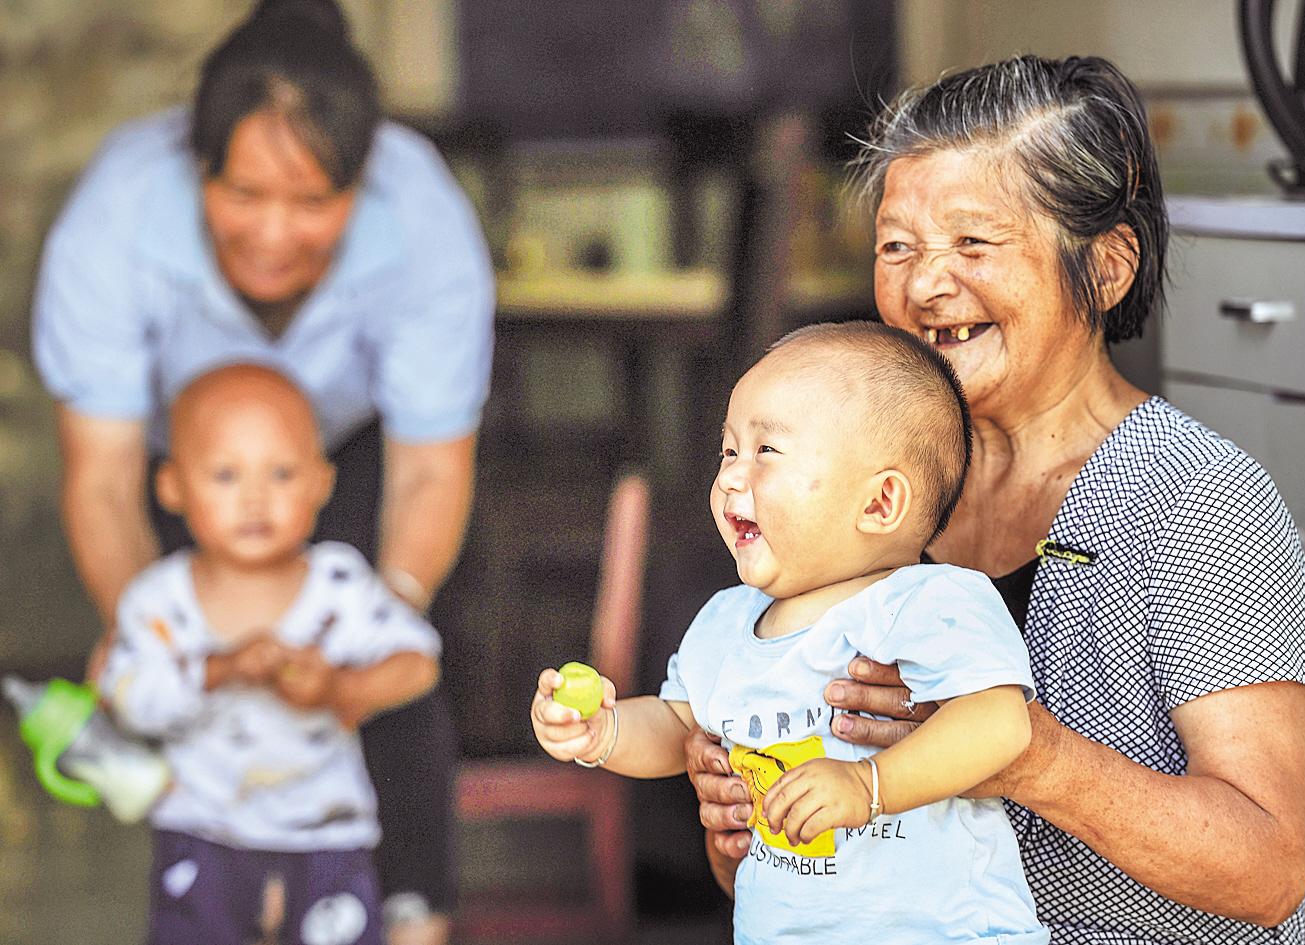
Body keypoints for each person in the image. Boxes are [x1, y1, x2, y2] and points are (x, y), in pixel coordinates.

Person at [685, 55, 1305, 944]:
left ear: (1106, 267)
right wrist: (744, 820)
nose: (924, 284)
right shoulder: (857, 503)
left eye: (972, 242)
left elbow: (1268, 866)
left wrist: (1032, 757)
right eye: (897, 246)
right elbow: (795, 867)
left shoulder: (1192, 498)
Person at [30, 1, 492, 940]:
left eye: (315, 201)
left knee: (396, 661)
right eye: (242, 193)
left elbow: (429, 473)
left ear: (363, 184)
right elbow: (105, 473)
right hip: (177, 455)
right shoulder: (114, 219)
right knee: (184, 701)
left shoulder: (426, 221)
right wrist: (151, 635)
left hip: (355, 445)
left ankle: (412, 916)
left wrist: (366, 639)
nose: (274, 233)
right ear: (194, 165)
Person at [532, 322, 1050, 944]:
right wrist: (603, 732)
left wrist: (870, 784)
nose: (729, 477)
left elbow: (999, 723)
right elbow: (676, 728)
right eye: (728, 451)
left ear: (880, 504)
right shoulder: (725, 620)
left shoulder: (929, 602)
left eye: (766, 453)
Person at [99, 363, 442, 945]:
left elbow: (417, 664)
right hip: (202, 834)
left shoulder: (339, 587)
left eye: (281, 473)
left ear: (321, 483)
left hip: (327, 839)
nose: (255, 498)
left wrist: (340, 689)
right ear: (172, 487)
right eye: (226, 475)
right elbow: (127, 697)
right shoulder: (158, 602)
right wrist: (220, 669)